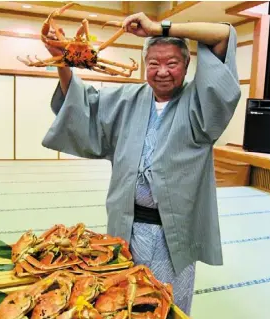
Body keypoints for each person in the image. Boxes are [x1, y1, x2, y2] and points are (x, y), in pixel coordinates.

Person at [42, 12, 241, 315]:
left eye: (172, 63)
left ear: (187, 66)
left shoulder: (200, 103)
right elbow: (83, 108)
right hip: (126, 229)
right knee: (119, 303)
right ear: (144, 65)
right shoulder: (126, 99)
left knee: (165, 304)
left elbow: (224, 35)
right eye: (154, 63)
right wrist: (63, 63)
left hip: (173, 236)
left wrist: (158, 27)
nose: (162, 71)